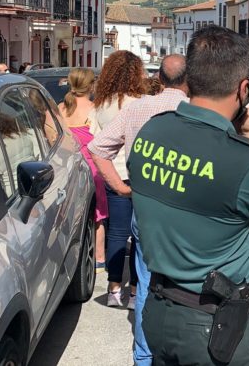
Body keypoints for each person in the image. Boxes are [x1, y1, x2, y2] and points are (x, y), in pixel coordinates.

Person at [129, 26, 249, 365]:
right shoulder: (245, 160)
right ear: (244, 88)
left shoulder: (152, 131)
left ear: (188, 82)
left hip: (159, 312)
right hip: (215, 325)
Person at [90, 54, 189, 366]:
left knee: (145, 282)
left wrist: (120, 187)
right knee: (184, 285)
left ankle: (144, 356)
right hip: (184, 211)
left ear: (159, 78)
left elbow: (97, 148)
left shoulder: (136, 107)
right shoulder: (194, 110)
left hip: (144, 207)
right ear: (190, 80)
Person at [90, 50, 147, 308]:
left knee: (117, 233)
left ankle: (114, 289)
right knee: (139, 236)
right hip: (141, 176)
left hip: (114, 175)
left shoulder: (101, 104)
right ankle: (135, 291)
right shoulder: (143, 102)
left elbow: (96, 139)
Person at [58, 68, 107, 273]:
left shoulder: (60, 109)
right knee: (98, 215)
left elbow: (52, 139)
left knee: (69, 214)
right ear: (91, 85)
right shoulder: (96, 109)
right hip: (93, 167)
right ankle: (99, 259)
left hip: (67, 167)